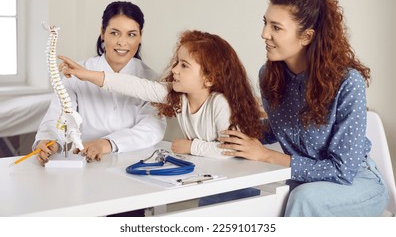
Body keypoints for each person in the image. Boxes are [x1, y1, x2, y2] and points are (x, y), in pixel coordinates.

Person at [217, 0, 389, 216]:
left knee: (305, 199)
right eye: (265, 23)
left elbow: (343, 171)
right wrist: (236, 131)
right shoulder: (268, 75)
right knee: (231, 190)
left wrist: (267, 155)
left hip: (356, 184)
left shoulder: (348, 83)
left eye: (276, 27)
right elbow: (285, 127)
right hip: (302, 180)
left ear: (306, 36)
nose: (264, 34)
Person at [58, 30, 264, 159]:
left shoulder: (219, 104)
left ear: (209, 79)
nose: (174, 70)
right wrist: (86, 74)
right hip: (213, 175)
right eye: (177, 63)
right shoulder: (178, 96)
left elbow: (228, 151)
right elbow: (134, 85)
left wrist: (192, 146)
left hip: (237, 180)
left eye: (184, 66)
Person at [34, 1, 167, 165]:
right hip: (86, 162)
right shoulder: (77, 73)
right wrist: (50, 140)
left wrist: (107, 143)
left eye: (131, 34)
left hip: (136, 162)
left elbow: (153, 127)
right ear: (103, 33)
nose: (122, 42)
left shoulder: (151, 80)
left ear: (140, 36)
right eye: (115, 33)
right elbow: (58, 116)